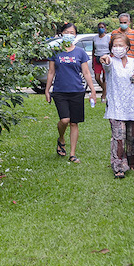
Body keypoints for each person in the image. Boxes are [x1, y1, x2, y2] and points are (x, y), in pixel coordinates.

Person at [44, 22, 98, 163]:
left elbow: (86, 72)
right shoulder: (55, 51)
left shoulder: (80, 52)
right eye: (66, 32)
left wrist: (93, 90)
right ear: (61, 34)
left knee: (74, 123)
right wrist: (47, 89)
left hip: (77, 91)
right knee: (64, 120)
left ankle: (72, 154)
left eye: (72, 33)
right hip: (60, 91)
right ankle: (61, 138)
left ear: (75, 35)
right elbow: (51, 72)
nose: (69, 35)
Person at [100, 33, 134, 178]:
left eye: (121, 45)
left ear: (127, 47)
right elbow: (106, 65)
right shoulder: (110, 62)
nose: (118, 48)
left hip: (133, 104)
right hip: (116, 105)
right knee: (118, 136)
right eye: (115, 46)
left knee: (133, 136)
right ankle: (118, 167)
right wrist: (105, 59)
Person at [91, 22, 111, 101]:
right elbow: (93, 49)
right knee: (97, 77)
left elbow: (110, 48)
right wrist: (93, 61)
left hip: (106, 57)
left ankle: (104, 95)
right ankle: (105, 89)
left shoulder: (108, 38)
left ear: (105, 29)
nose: (101, 29)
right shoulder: (95, 38)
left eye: (102, 27)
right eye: (99, 27)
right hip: (97, 57)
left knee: (105, 77)